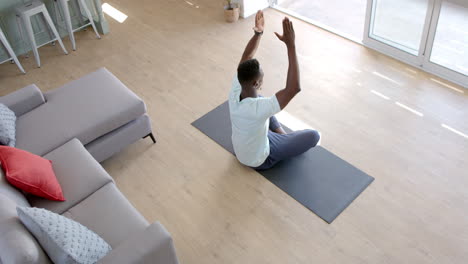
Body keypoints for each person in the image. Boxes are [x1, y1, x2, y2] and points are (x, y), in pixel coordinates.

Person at [228, 10, 321, 170]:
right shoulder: (257, 109)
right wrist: (290, 45)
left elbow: (246, 57)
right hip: (260, 159)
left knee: (262, 100)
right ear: (256, 83)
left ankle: (280, 135)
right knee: (314, 136)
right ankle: (283, 139)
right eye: (262, 77)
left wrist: (259, 33)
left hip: (242, 150)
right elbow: (293, 88)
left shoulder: (236, 87)